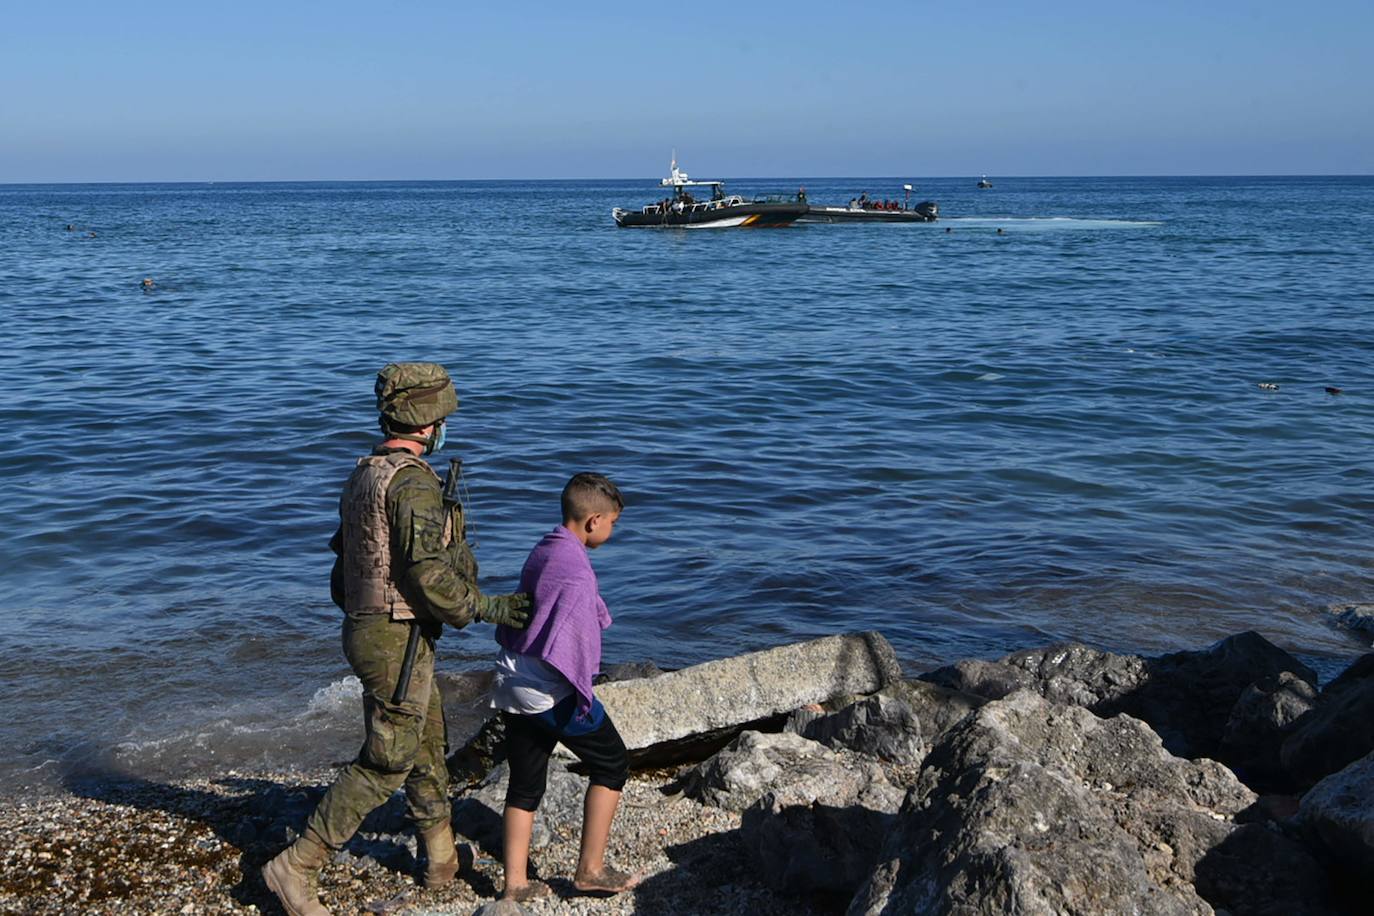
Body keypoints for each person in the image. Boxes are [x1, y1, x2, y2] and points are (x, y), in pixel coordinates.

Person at [263, 362, 534, 916]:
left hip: (374, 627)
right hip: (393, 633)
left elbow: (344, 571)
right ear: (429, 422)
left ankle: (440, 857)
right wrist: (489, 607)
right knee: (389, 758)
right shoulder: (412, 483)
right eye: (443, 418)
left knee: (427, 740)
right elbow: (427, 575)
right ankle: (296, 866)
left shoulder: (366, 473)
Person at [491, 472, 636, 902]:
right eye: (612, 522)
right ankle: (590, 869)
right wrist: (583, 691)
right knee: (612, 763)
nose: (612, 530)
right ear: (593, 521)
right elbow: (570, 645)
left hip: (512, 679)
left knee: (525, 782)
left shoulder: (547, 547)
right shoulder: (576, 573)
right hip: (548, 689)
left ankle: (514, 883)